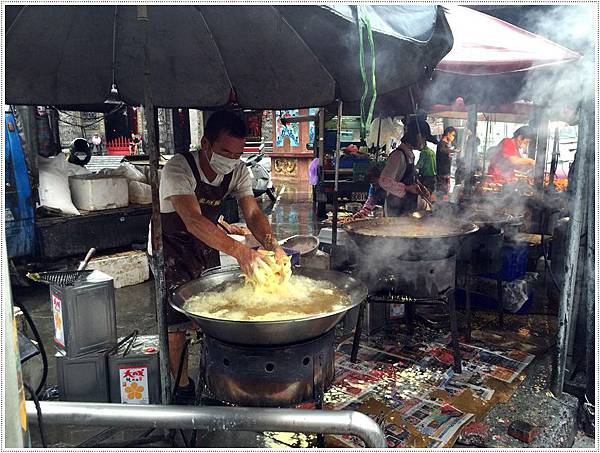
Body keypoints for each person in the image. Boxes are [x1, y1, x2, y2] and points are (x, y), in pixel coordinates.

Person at [153, 110, 286, 404]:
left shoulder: (238, 171)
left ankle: (213, 380)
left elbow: (252, 212)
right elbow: (192, 220)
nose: (231, 159)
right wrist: (241, 252)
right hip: (172, 247)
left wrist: (271, 243)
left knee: (211, 314)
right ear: (206, 143)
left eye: (238, 153)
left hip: (207, 244)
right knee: (175, 325)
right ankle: (182, 386)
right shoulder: (179, 167)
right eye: (225, 151)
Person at [379, 118, 438, 216]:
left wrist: (419, 186)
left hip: (406, 208)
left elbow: (408, 178)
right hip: (395, 210)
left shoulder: (409, 155)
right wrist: (406, 188)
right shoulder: (398, 156)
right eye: (425, 139)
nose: (425, 143)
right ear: (419, 137)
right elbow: (383, 181)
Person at [436, 127, 459, 195]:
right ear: (448, 134)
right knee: (441, 193)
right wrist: (453, 151)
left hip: (446, 174)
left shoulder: (446, 144)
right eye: (453, 135)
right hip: (442, 174)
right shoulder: (441, 144)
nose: (453, 137)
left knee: (445, 193)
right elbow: (442, 150)